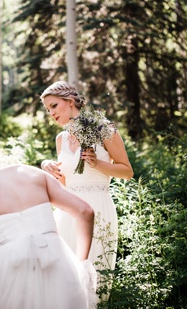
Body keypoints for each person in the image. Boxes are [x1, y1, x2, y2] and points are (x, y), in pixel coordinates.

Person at [0, 133, 96, 308]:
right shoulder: (31, 173)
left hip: (9, 275)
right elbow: (85, 212)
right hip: (59, 266)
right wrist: (81, 266)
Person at [39, 81, 133, 299]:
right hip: (67, 212)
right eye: (47, 110)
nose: (51, 113)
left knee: (92, 280)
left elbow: (127, 172)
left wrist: (97, 164)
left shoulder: (104, 129)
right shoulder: (61, 139)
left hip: (97, 208)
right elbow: (66, 185)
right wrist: (49, 167)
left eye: (53, 106)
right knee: (63, 279)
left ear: (70, 102)